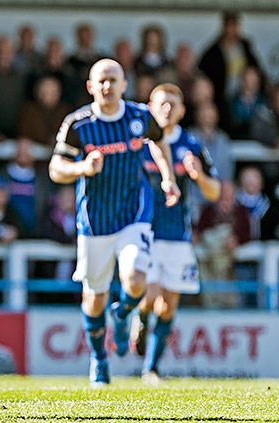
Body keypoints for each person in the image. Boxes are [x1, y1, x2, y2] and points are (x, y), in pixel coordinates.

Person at [48, 58, 179, 387]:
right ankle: (99, 360)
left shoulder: (140, 116)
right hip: (94, 221)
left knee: (136, 277)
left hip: (134, 212)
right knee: (94, 297)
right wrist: (82, 169)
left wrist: (167, 177)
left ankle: (122, 316)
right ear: (91, 87)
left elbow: (160, 141)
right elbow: (55, 168)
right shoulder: (78, 124)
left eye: (114, 80)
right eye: (101, 81)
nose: (108, 86)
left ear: (124, 84)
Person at [130, 83, 221, 386]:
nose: (167, 109)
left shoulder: (192, 144)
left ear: (182, 110)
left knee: (168, 304)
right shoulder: (139, 142)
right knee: (150, 293)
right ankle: (140, 320)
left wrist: (198, 175)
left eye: (173, 103)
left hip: (178, 236)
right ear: (151, 108)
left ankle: (151, 369)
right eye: (161, 103)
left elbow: (215, 191)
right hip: (144, 231)